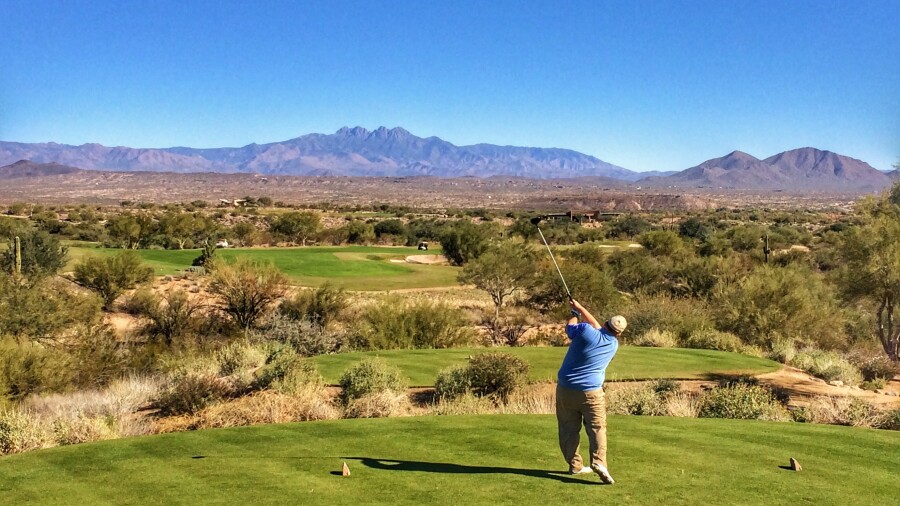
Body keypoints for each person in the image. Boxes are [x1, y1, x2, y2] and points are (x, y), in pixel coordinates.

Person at [556, 298, 626, 484]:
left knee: (568, 428)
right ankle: (599, 462)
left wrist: (574, 314)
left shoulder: (585, 331)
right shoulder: (613, 345)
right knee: (597, 427)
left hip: (566, 389)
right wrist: (580, 308)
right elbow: (595, 327)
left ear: (605, 323)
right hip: (592, 393)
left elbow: (570, 328)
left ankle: (575, 465)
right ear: (618, 334)